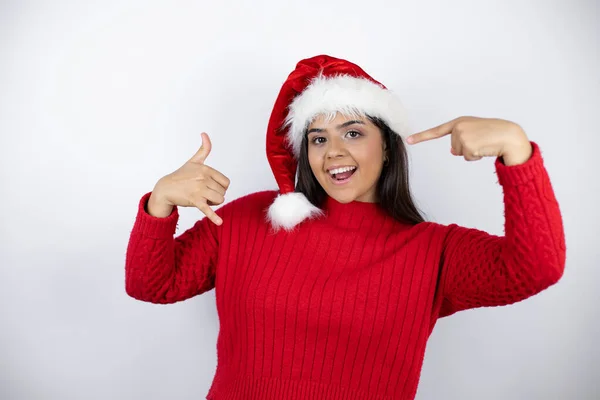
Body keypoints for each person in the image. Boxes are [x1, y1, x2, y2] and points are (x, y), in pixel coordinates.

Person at [124, 54, 566, 400]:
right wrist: (161, 202)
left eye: (353, 132)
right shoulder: (249, 218)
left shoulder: (433, 250)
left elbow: (536, 268)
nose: (333, 151)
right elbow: (152, 284)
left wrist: (516, 151)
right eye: (318, 138)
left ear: (388, 147)